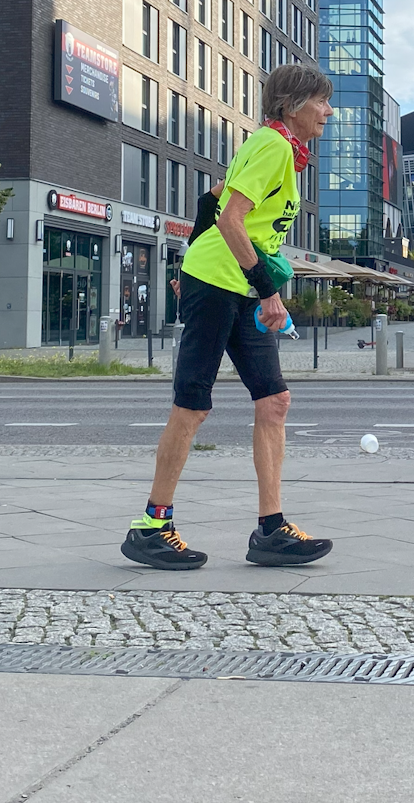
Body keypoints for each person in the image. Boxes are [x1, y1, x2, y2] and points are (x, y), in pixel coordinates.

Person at [121, 63, 336, 571]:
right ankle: (152, 524)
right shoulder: (273, 145)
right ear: (291, 108)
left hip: (228, 278)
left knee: (274, 400)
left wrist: (191, 257)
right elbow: (233, 218)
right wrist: (266, 292)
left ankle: (272, 529)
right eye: (321, 102)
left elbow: (210, 202)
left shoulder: (276, 147)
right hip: (223, 285)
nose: (329, 111)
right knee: (192, 404)